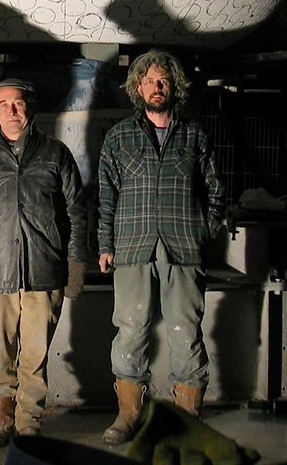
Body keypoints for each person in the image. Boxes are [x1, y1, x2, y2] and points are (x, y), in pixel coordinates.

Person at [0, 78, 88, 449]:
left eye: (18, 103)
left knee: (35, 353)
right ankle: (0, 418)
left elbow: (77, 212)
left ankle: (29, 421)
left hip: (44, 270)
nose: (12, 111)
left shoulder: (56, 154)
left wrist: (75, 263)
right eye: (4, 105)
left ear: (30, 108)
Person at [97, 50, 226, 444]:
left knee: (185, 330)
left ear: (174, 88)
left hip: (183, 247)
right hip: (133, 247)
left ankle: (188, 420)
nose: (157, 87)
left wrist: (203, 229)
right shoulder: (119, 136)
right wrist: (105, 243)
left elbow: (216, 190)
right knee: (131, 329)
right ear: (138, 88)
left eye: (163, 81)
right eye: (150, 80)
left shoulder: (194, 135)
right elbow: (106, 194)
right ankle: (129, 415)